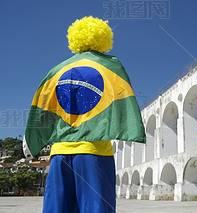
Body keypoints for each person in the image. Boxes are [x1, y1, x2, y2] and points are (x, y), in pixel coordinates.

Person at [23, 16, 146, 213]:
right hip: (93, 150)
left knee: (56, 209)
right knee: (96, 208)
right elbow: (123, 99)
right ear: (104, 39)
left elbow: (43, 105)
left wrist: (32, 138)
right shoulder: (109, 65)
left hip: (59, 152)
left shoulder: (57, 70)